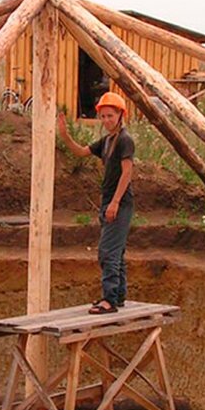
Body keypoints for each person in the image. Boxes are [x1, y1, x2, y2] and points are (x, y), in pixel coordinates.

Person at [58, 91, 135, 314]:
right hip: (110, 202)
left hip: (119, 203)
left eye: (110, 116)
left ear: (120, 115)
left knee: (107, 251)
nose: (105, 121)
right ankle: (118, 296)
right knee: (117, 252)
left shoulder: (124, 140)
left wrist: (115, 202)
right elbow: (82, 152)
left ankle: (109, 300)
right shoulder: (108, 140)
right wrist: (64, 135)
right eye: (102, 116)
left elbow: (127, 172)